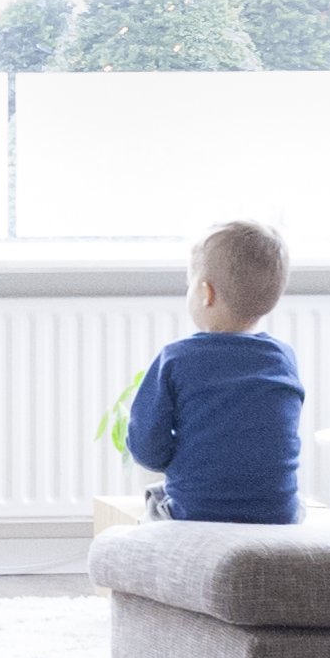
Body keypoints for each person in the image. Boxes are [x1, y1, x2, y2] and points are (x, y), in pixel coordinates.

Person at [130, 220, 304, 525]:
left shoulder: (176, 358)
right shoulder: (283, 358)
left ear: (205, 293)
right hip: (277, 518)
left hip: (196, 515)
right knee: (299, 505)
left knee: (155, 503)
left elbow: (147, 449)